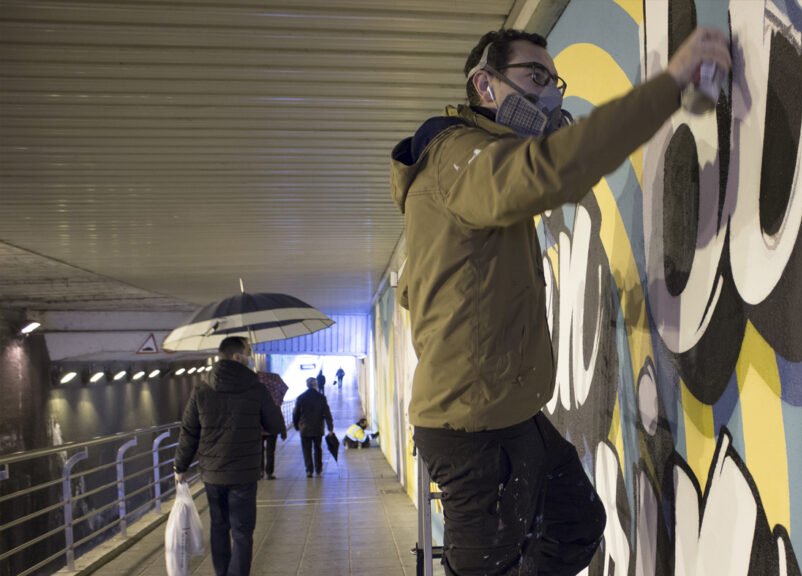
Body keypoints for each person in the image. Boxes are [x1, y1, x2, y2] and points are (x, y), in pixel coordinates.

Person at [391, 26, 731, 576]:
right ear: (485, 84)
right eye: (534, 77)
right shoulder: (461, 158)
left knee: (575, 523)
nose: (549, 94)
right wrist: (669, 84)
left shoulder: (458, 174)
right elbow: (551, 171)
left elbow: (414, 289)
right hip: (475, 433)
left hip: (510, 414)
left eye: (553, 80)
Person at [173, 336, 285, 576]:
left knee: (219, 527)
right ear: (237, 357)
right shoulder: (257, 387)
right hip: (244, 472)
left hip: (213, 474)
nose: (251, 356)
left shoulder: (201, 388)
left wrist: (180, 466)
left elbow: (189, 430)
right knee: (242, 533)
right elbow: (275, 425)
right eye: (248, 351)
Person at [292, 376, 333, 477]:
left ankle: (309, 470)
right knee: (318, 448)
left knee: (307, 449)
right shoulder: (321, 398)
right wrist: (330, 428)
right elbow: (327, 414)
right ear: (316, 385)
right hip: (318, 428)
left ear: (307, 385)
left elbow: (295, 414)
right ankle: (318, 469)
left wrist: (297, 427)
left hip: (304, 428)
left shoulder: (301, 398)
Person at [260, 412, 286, 480]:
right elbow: (280, 419)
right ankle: (269, 473)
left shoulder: (259, 403)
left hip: (261, 431)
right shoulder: (275, 404)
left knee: (260, 452)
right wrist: (283, 432)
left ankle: (260, 471)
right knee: (270, 452)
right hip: (272, 431)